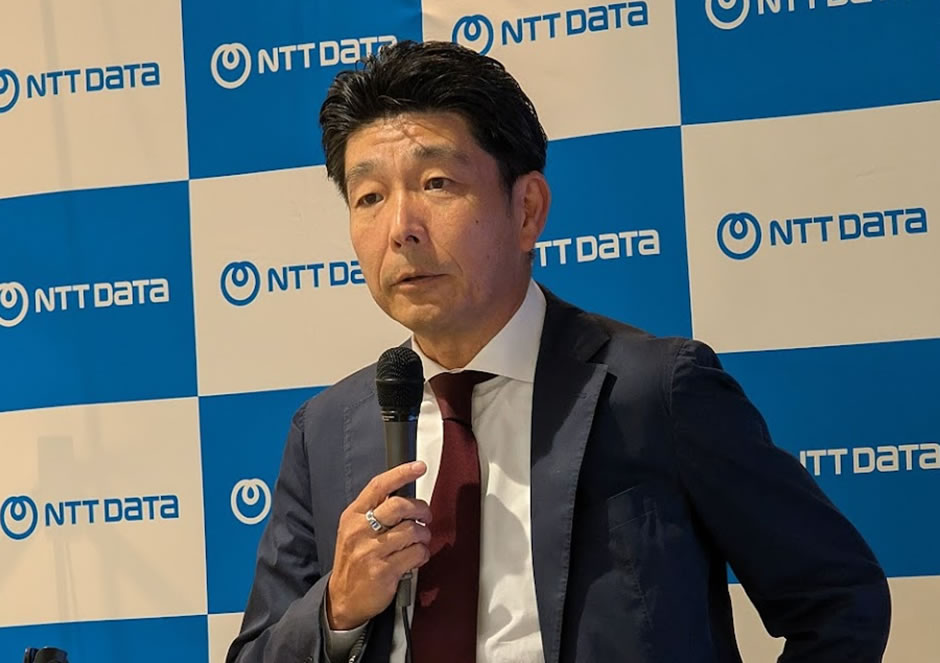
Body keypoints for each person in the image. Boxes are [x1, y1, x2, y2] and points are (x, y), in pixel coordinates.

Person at [226, 40, 891, 663]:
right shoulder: (326, 430)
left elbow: (840, 601)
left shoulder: (655, 390)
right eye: (369, 196)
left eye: (436, 183)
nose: (401, 228)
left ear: (527, 210)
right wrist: (337, 610)